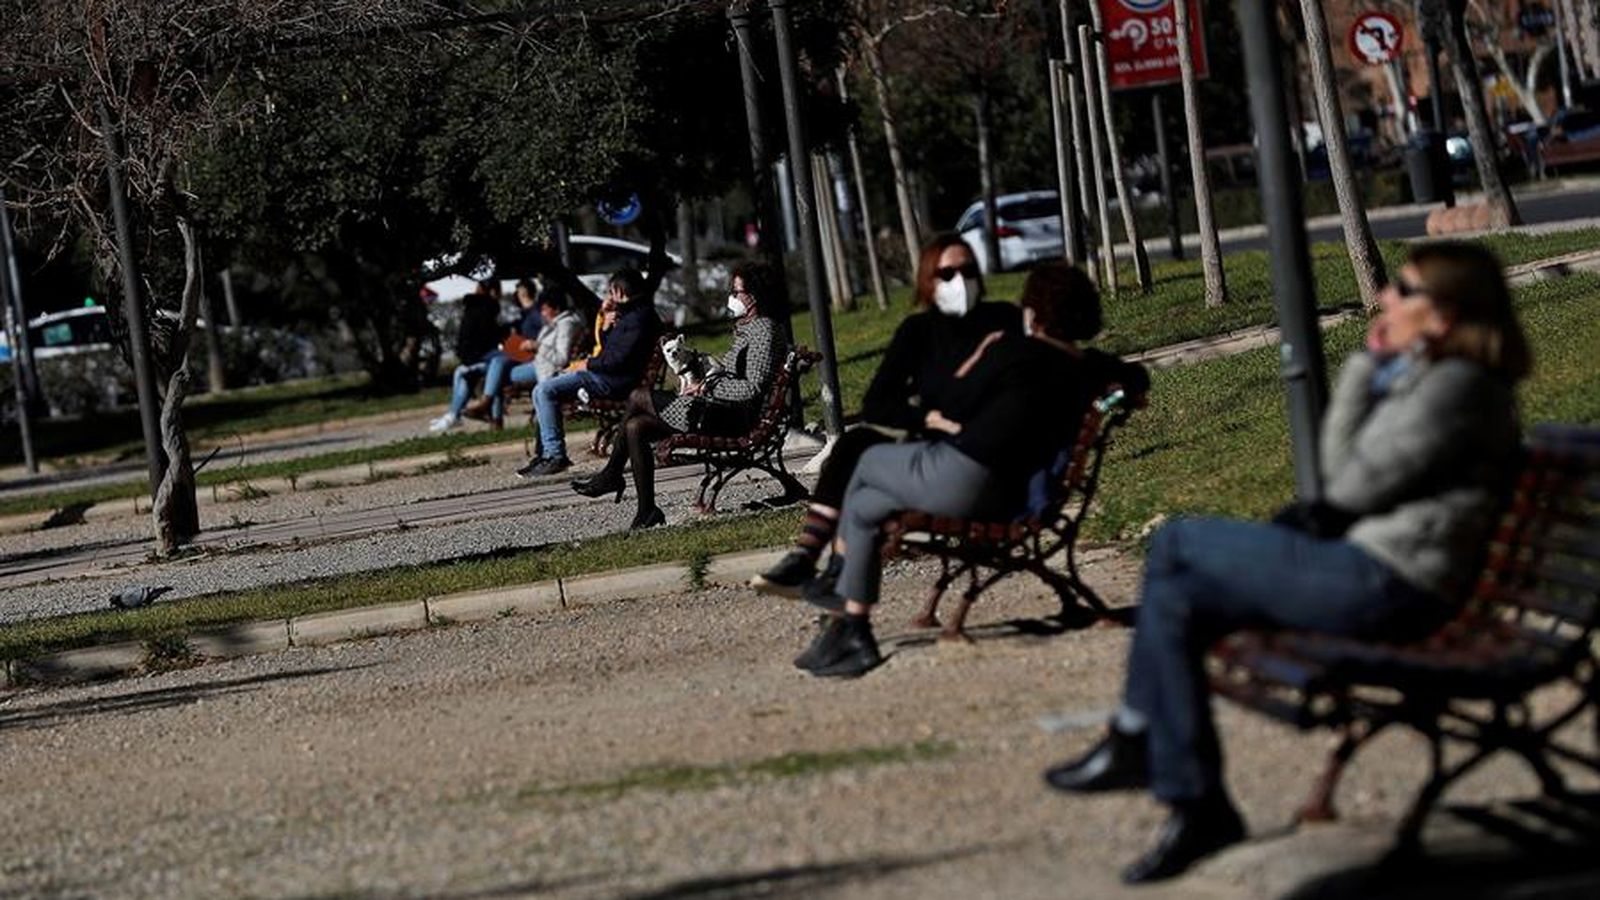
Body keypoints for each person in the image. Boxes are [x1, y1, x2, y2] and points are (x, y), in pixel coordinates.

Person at [1041, 242, 1531, 885]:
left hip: (1392, 585)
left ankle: (1140, 740)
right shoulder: (1437, 378)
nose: (1386, 296)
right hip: (1374, 570)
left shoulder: (1455, 388)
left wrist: (1363, 366)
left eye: (1404, 289)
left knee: (1177, 544)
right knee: (1180, 597)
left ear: (1443, 315)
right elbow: (1349, 483)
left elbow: (1344, 485)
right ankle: (1195, 802)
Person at [795, 262, 1148, 679]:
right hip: (1013, 493)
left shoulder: (1014, 351)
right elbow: (1136, 376)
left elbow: (948, 400)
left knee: (863, 458)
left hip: (966, 478)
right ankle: (852, 628)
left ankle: (840, 598)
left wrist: (982, 354)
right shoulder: (1089, 366)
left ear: (1034, 313)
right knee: (867, 503)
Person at [751, 233, 1020, 595]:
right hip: (932, 442)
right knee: (854, 444)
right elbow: (878, 403)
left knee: (861, 468)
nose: (961, 281)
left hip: (975, 457)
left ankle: (829, 568)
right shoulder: (919, 331)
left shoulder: (1003, 320)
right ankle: (811, 559)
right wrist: (926, 419)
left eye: (968, 270)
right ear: (928, 280)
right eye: (947, 274)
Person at [569, 262, 788, 530]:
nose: (732, 297)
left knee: (638, 396)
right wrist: (700, 368)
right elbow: (734, 375)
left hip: (732, 418)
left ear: (754, 295)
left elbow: (752, 388)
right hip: (717, 409)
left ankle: (612, 475)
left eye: (737, 291)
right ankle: (647, 511)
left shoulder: (763, 330)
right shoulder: (749, 327)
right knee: (635, 426)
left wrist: (706, 387)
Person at [517, 268, 662, 477]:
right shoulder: (632, 315)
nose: (609, 297)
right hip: (607, 376)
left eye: (611, 292)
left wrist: (587, 364)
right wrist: (606, 327)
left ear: (619, 291)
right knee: (545, 388)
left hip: (612, 382)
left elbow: (617, 360)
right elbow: (611, 350)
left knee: (544, 390)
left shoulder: (638, 319)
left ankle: (555, 455)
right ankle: (545, 454)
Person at [463, 282, 585, 429]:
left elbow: (561, 359)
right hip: (539, 362)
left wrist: (536, 346)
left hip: (547, 367)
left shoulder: (565, 325)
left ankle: (491, 412)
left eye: (545, 309)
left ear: (556, 308)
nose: (542, 313)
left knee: (497, 371)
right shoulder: (553, 323)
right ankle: (490, 411)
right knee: (497, 365)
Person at [430, 279, 505, 433]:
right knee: (495, 361)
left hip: (468, 357)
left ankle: (453, 414)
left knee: (462, 373)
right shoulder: (489, 306)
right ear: (493, 291)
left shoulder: (471, 306)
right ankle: (455, 414)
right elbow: (490, 337)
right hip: (479, 357)